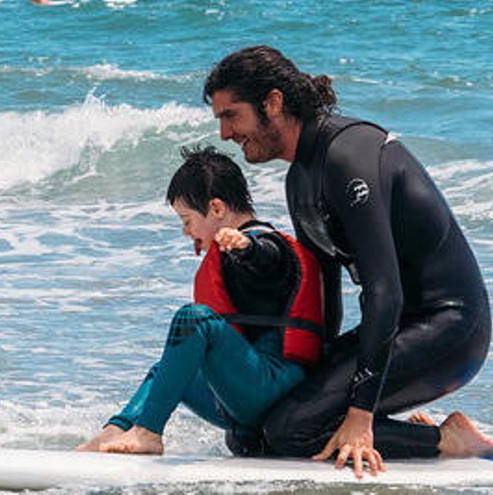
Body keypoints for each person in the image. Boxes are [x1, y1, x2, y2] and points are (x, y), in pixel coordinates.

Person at [203, 46, 493, 479]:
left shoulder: (348, 155)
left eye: (230, 115)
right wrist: (307, 373)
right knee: (252, 435)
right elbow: (321, 291)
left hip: (450, 327)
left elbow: (384, 289)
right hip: (395, 331)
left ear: (272, 103)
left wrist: (360, 413)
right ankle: (404, 428)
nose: (225, 134)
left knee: (291, 431)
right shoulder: (300, 178)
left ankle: (448, 440)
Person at [76, 146, 325, 455]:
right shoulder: (229, 251)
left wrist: (246, 247)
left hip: (272, 385)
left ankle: (149, 432)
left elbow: (269, 261)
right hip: (242, 393)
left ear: (217, 209)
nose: (186, 231)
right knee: (168, 367)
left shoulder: (263, 242)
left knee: (193, 319)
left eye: (187, 220)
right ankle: (114, 431)